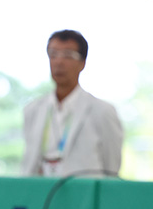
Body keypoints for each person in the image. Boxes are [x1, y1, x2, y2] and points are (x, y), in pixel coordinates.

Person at [20, 30, 123, 178]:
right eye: (53, 54)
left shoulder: (102, 111)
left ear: (82, 63)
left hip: (84, 190)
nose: (59, 62)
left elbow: (111, 169)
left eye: (68, 55)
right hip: (41, 190)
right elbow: (29, 162)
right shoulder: (32, 110)